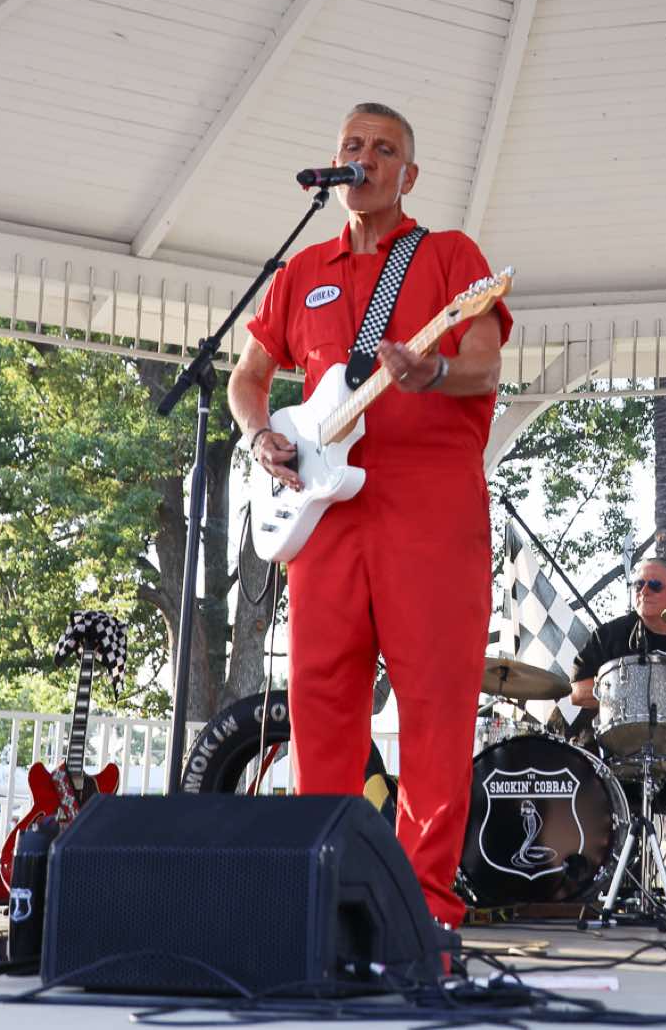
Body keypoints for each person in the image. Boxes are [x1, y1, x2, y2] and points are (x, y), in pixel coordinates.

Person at [228, 102, 510, 933]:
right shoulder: (301, 268)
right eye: (353, 145)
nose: (366, 158)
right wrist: (260, 436)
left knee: (434, 705)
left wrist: (432, 374)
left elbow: (486, 363)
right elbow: (247, 378)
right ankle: (324, 898)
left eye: (384, 149)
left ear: (408, 175)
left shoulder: (451, 256)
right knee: (320, 703)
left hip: (430, 507)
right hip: (326, 512)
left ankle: (425, 911)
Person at [568, 556, 666, 713]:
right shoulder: (609, 635)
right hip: (619, 728)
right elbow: (576, 693)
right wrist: (633, 690)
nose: (644, 591)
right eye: (639, 585)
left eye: (655, 585)